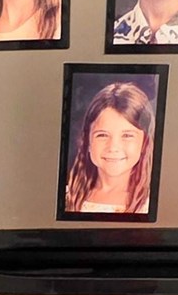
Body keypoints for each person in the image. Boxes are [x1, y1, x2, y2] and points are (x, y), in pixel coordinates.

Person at [63, 82, 155, 216]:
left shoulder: (150, 204)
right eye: (102, 135)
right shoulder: (67, 199)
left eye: (127, 135)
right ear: (86, 141)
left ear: (144, 143)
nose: (113, 147)